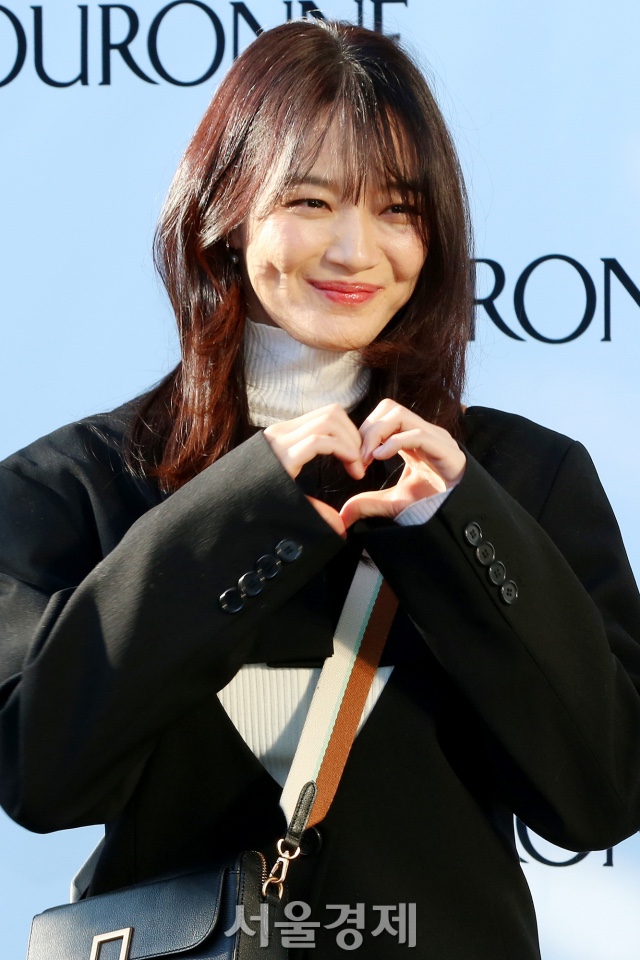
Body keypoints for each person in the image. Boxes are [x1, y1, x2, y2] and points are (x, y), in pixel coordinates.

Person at [1, 18, 639, 960]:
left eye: (398, 210)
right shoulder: (73, 484)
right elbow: (41, 776)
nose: (355, 250)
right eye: (310, 200)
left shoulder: (522, 480)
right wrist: (242, 508)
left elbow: (604, 794)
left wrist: (458, 521)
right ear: (222, 211)